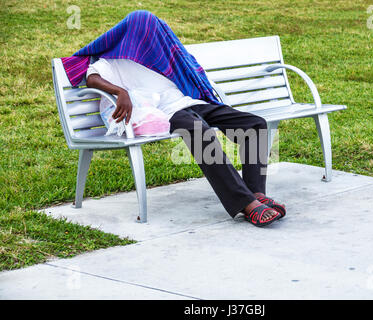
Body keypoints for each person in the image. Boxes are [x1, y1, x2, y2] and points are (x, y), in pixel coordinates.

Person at [64, 10, 286, 227]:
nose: (152, 36)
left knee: (254, 124)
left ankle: (256, 192)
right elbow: (91, 78)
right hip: (164, 112)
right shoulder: (111, 60)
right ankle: (246, 203)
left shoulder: (158, 55)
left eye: (154, 31)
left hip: (189, 102)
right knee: (200, 132)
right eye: (146, 32)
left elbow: (187, 68)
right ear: (132, 33)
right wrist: (121, 92)